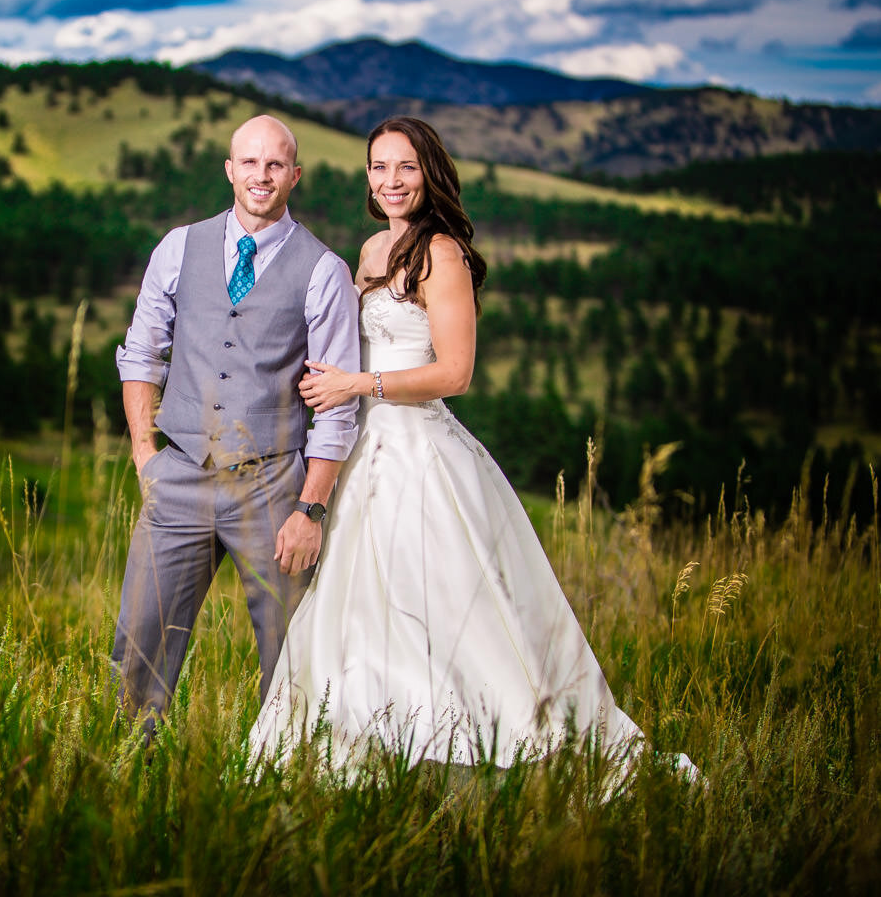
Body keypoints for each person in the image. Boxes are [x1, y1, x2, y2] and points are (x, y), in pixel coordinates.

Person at [248, 116, 693, 776]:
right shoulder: (371, 253)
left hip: (419, 456)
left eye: (405, 167)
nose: (391, 181)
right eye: (379, 167)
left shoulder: (443, 254)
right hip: (358, 455)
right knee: (361, 608)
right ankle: (374, 746)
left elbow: (455, 374)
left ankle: (468, 746)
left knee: (440, 607)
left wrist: (358, 383)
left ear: (429, 173)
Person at [112, 115, 362, 735]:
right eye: (249, 162)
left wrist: (311, 510)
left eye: (275, 165)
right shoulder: (179, 246)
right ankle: (128, 770)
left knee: (290, 649)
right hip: (178, 473)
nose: (261, 175)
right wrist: (146, 453)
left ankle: (281, 777)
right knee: (140, 639)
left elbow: (337, 404)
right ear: (229, 169)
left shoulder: (324, 271)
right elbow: (141, 352)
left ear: (294, 176)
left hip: (274, 487)